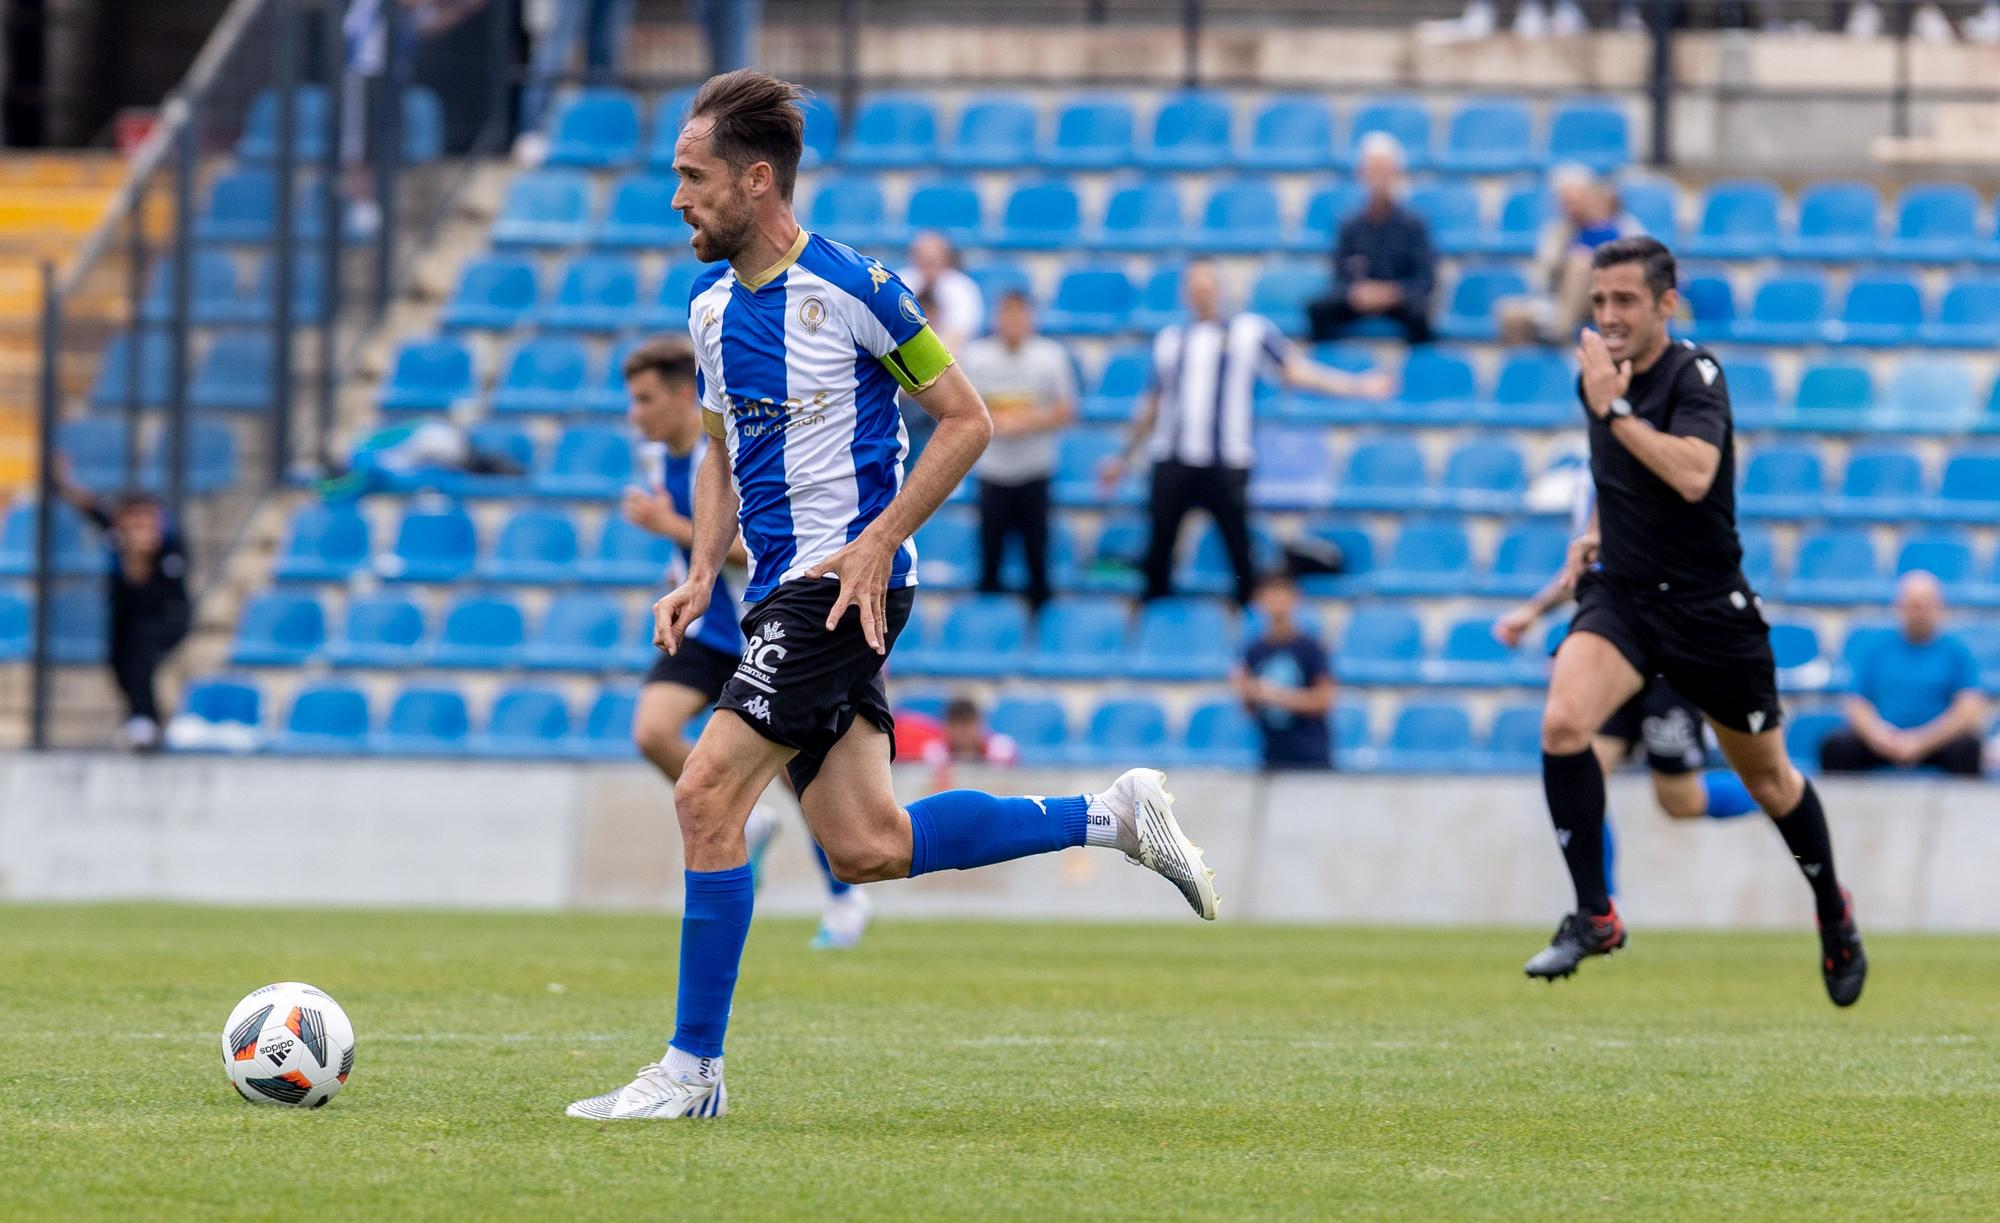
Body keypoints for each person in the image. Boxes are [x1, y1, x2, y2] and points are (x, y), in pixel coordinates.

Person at [566, 70, 1218, 1123]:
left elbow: (966, 420)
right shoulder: (705, 306)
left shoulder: (858, 290)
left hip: (837, 586)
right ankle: (1111, 814)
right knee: (867, 842)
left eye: (691, 177)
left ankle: (691, 1071)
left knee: (702, 792)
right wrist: (698, 570)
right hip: (778, 587)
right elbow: (721, 450)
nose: (676, 198)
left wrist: (876, 541)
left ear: (756, 178)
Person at [1525, 235, 1865, 1007]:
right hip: (1627, 599)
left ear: (1664, 305)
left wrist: (1611, 406)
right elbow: (1631, 490)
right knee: (1563, 723)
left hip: (1710, 610)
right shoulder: (1599, 381)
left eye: (1625, 302)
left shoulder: (1695, 374)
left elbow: (1691, 474)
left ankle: (1832, 908)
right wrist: (1597, 537)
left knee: (1772, 781)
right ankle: (1597, 914)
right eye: (1599, 300)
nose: (1608, 315)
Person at [619, 337, 868, 950]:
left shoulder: (729, 460)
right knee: (652, 731)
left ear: (685, 395)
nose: (636, 414)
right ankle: (750, 820)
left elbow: (750, 549)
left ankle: (844, 900)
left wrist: (671, 529)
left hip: (762, 629)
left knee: (793, 777)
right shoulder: (656, 463)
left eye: (646, 399)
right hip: (707, 631)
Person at [1101, 259, 1391, 608]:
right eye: (1195, 286)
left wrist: (1356, 386)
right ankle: (1152, 625)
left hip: (1227, 462)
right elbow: (1152, 403)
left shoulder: (1249, 331)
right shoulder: (1170, 340)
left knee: (1240, 554)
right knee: (1158, 551)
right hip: (1172, 459)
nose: (1202, 292)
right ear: (1185, 293)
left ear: (1220, 289)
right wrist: (1123, 455)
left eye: (1207, 284)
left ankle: (1246, 628)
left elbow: (1294, 371)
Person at [1493, 466, 1759, 824]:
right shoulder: (1595, 476)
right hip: (1618, 646)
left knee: (1680, 801)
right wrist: (1537, 615)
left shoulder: (1665, 466)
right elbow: (1593, 566)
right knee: (1584, 778)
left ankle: (1778, 794)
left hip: (1668, 651)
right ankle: (1598, 884)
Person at [51, 461, 189, 751]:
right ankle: (138, 717)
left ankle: (146, 720)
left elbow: (157, 593)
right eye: (133, 519)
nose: (140, 526)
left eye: (146, 519)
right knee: (118, 661)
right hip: (125, 618)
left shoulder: (171, 546)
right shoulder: (116, 535)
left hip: (164, 618)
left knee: (140, 654)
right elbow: (91, 509)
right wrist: (65, 481)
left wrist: (139, 558)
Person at [958, 289, 1075, 611]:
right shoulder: (976, 357)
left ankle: (1039, 630)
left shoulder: (1050, 356)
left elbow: (1066, 410)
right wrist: (995, 421)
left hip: (1035, 472)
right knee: (989, 561)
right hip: (992, 473)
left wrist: (1026, 422)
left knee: (1037, 561)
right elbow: (962, 408)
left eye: (1019, 315)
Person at [1820, 571, 1987, 776]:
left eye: (1924, 605)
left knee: (1968, 749)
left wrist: (1922, 741)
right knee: (1836, 747)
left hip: (1936, 743)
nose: (1918, 612)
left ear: (1939, 606)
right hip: (1881, 741)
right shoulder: (1874, 646)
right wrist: (1879, 736)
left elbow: (1968, 707)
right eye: (1913, 605)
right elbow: (1855, 702)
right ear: (1899, 606)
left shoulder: (1957, 650)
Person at [1307, 133, 1436, 345]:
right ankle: (1329, 370)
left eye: (1384, 171)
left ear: (1396, 173)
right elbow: (1338, 277)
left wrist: (1390, 293)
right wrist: (1356, 293)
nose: (1378, 178)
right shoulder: (1349, 224)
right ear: (1362, 174)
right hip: (1357, 300)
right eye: (1373, 170)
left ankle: (1419, 372)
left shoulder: (1414, 225)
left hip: (1398, 302)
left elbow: (1426, 281)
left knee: (1420, 313)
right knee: (1318, 308)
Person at [1497, 165, 1643, 347]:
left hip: (1609, 301)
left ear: (1590, 196)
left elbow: (1641, 266)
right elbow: (1544, 272)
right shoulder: (1558, 231)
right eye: (1566, 202)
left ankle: (1559, 332)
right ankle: (1530, 371)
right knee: (1510, 314)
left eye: (1576, 200)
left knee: (1581, 262)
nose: (1572, 208)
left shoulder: (1623, 226)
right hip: (1562, 298)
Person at [1234, 571, 1335, 770]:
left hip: (1311, 753)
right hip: (1272, 751)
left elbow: (1325, 700)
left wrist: (1276, 696)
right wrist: (1244, 691)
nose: (1277, 603)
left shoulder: (1310, 647)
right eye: (1271, 595)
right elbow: (1250, 708)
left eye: (1282, 595)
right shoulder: (1255, 650)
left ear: (1296, 599)